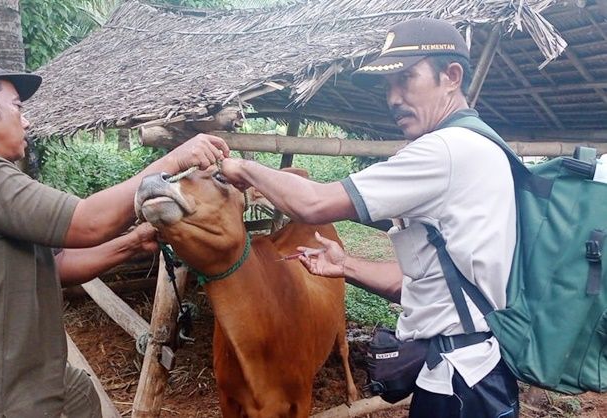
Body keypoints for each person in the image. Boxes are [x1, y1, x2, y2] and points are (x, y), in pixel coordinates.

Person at [220, 18, 519, 418]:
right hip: (475, 371)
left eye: (406, 79)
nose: (393, 97)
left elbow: (314, 204)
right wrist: (346, 265)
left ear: (451, 76)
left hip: (459, 386)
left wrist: (243, 168)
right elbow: (425, 287)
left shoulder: (444, 150)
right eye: (387, 86)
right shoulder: (483, 146)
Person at [0, 55, 229, 418]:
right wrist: (172, 161)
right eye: (17, 107)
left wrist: (131, 242)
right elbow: (89, 222)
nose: (27, 120)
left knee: (79, 394)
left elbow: (55, 264)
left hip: (10, 371)